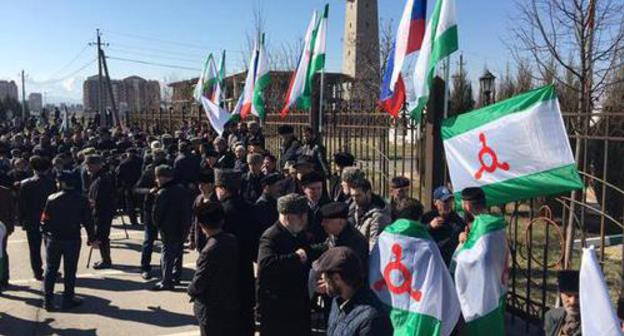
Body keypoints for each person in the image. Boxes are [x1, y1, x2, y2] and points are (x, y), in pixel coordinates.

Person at [257, 193, 321, 336]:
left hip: (298, 305)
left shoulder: (298, 233)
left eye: (305, 215)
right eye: (300, 216)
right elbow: (267, 265)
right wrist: (295, 257)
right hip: (278, 309)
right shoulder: (271, 236)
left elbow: (307, 252)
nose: (304, 220)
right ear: (286, 216)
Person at [40, 170, 97, 311]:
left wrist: (46, 233)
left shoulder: (52, 198)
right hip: (72, 237)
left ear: (63, 183)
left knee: (51, 269)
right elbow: (88, 221)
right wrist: (92, 238)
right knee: (70, 270)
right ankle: (68, 298)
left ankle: (48, 300)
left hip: (54, 237)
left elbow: (44, 221)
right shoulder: (82, 199)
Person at [214, 169, 257, 335]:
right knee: (245, 316)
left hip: (225, 274)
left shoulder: (221, 212)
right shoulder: (250, 208)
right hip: (245, 269)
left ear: (222, 189)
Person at [187, 201, 239, 336]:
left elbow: (200, 281)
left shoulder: (209, 250)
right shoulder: (232, 240)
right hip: (229, 301)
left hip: (211, 306)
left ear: (202, 225)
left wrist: (191, 290)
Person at [317, 247, 393, 336]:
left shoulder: (371, 320)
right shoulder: (338, 300)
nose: (321, 278)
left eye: (325, 276)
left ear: (337, 278)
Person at [151, 165, 192, 291]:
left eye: (157, 177)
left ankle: (166, 280)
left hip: (168, 227)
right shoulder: (181, 189)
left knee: (167, 254)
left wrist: (157, 224)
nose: (156, 180)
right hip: (182, 225)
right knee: (178, 252)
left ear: (162, 177)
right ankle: (176, 275)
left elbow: (157, 214)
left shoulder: (163, 193)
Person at [17, 156, 56, 280]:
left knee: (34, 248)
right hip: (49, 219)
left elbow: (21, 204)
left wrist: (22, 219)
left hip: (31, 219)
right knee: (50, 247)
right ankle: (51, 269)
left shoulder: (25, 184)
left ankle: (37, 271)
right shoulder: (51, 183)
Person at [135, 148, 167, 279]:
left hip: (167, 210)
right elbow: (136, 189)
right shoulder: (149, 172)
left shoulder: (170, 170)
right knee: (149, 240)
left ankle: (166, 267)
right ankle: (145, 266)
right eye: (157, 155)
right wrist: (149, 191)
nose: (158, 157)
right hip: (151, 209)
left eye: (161, 155)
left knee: (167, 241)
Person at [421, 186, 465, 266]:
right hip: (432, 262)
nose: (447, 204)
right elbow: (417, 235)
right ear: (435, 202)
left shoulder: (458, 220)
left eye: (450, 201)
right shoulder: (427, 217)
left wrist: (464, 236)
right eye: (444, 201)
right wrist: (430, 226)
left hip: (451, 263)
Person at [86, 154, 115, 269]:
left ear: (97, 165)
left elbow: (99, 198)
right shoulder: (97, 177)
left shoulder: (102, 178)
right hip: (101, 211)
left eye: (90, 165)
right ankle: (105, 259)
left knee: (102, 236)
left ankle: (106, 260)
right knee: (102, 236)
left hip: (102, 211)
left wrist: (92, 207)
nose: (88, 168)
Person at [320, 202, 369, 266]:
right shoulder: (335, 233)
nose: (322, 224)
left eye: (326, 221)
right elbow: (326, 246)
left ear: (340, 222)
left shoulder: (356, 242)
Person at [349, 178, 391, 250]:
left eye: (358, 195)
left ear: (368, 193)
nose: (355, 199)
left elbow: (374, 246)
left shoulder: (379, 216)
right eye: (352, 196)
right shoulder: (353, 207)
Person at [544, 271, 581, 336]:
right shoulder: (551, 317)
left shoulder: (595, 324)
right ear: (561, 295)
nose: (573, 301)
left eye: (578, 296)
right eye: (568, 295)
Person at [189, 170, 216, 252]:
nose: (200, 187)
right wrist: (192, 238)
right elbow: (194, 220)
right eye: (199, 184)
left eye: (203, 184)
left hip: (212, 243)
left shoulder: (216, 201)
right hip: (199, 240)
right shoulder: (198, 199)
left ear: (211, 185)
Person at [301, 171, 330, 244]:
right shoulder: (298, 205)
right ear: (304, 189)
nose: (316, 192)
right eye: (312, 189)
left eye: (319, 188)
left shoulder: (329, 205)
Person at [116, 148, 142, 225]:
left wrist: (118, 186)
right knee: (141, 202)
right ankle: (143, 218)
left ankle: (133, 220)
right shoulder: (141, 161)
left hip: (128, 185)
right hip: (139, 184)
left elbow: (119, 175)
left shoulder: (123, 163)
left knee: (130, 204)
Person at [0, 184, 15, 289]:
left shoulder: (5, 192)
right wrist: (10, 226)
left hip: (3, 226)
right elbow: (12, 211)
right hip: (3, 226)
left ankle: (3, 278)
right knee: (2, 252)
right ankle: (4, 278)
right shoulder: (6, 191)